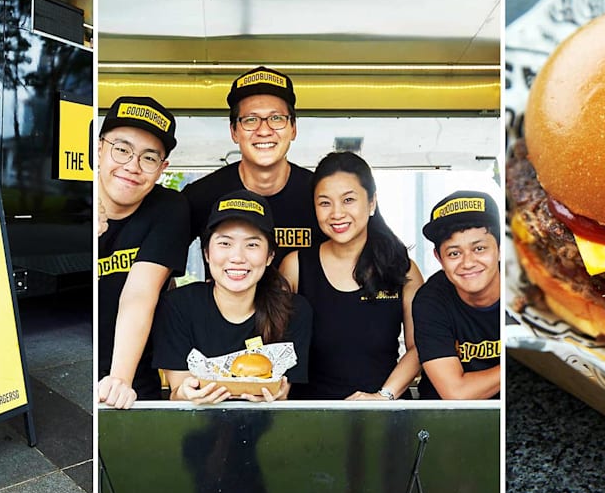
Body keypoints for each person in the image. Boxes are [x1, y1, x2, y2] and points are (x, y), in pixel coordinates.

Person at [280, 151, 424, 400]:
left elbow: (421, 346)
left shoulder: (402, 268)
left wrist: (383, 396)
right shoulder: (295, 266)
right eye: (325, 202)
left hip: (383, 419)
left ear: (371, 203)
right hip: (311, 419)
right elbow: (275, 345)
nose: (336, 213)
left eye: (348, 200)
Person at [152, 189, 312, 404]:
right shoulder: (178, 306)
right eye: (225, 243)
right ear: (207, 253)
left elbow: (284, 391)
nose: (237, 257)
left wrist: (278, 394)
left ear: (269, 256)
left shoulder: (294, 311)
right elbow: (177, 392)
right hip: (196, 429)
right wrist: (185, 393)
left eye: (252, 244)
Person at [97, 96, 190, 409]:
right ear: (100, 148)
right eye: (122, 149)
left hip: (132, 381)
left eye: (149, 158)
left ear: (162, 168)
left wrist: (119, 379)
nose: (131, 167)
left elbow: (139, 294)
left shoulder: (169, 209)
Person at [182, 66, 322, 267]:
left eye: (276, 118)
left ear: (293, 128)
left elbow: (374, 251)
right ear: (234, 132)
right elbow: (159, 260)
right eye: (250, 120)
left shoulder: (320, 194)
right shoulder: (200, 196)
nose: (264, 130)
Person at [413, 190, 501, 400]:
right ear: (439, 258)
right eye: (454, 253)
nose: (468, 262)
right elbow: (456, 392)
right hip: (449, 420)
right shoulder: (430, 301)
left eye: (479, 248)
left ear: (500, 247)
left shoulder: (525, 282)